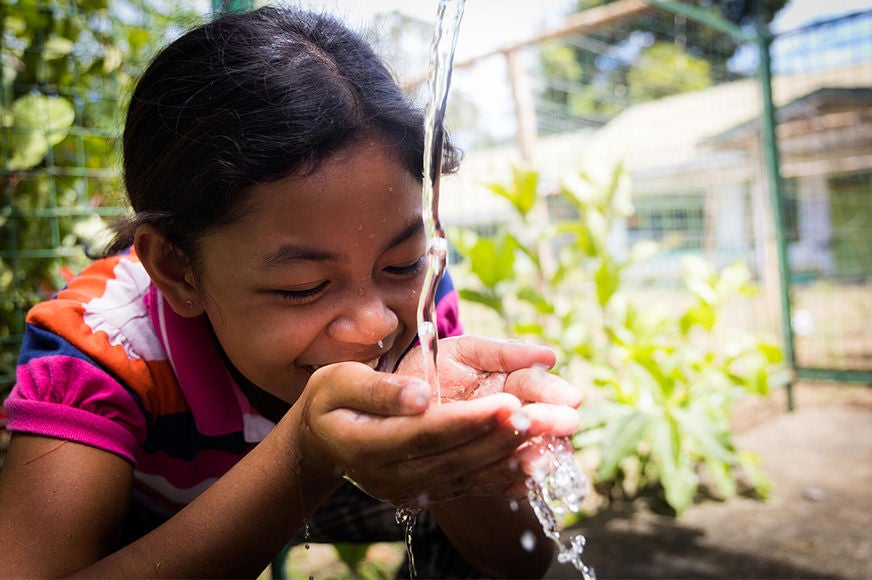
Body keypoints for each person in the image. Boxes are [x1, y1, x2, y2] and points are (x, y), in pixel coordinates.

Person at [0, 6, 583, 578]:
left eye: (400, 262)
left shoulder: (422, 306)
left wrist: (466, 450)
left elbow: (518, 561)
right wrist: (305, 452)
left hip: (343, 498)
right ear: (178, 270)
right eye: (305, 288)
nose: (375, 324)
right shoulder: (102, 347)